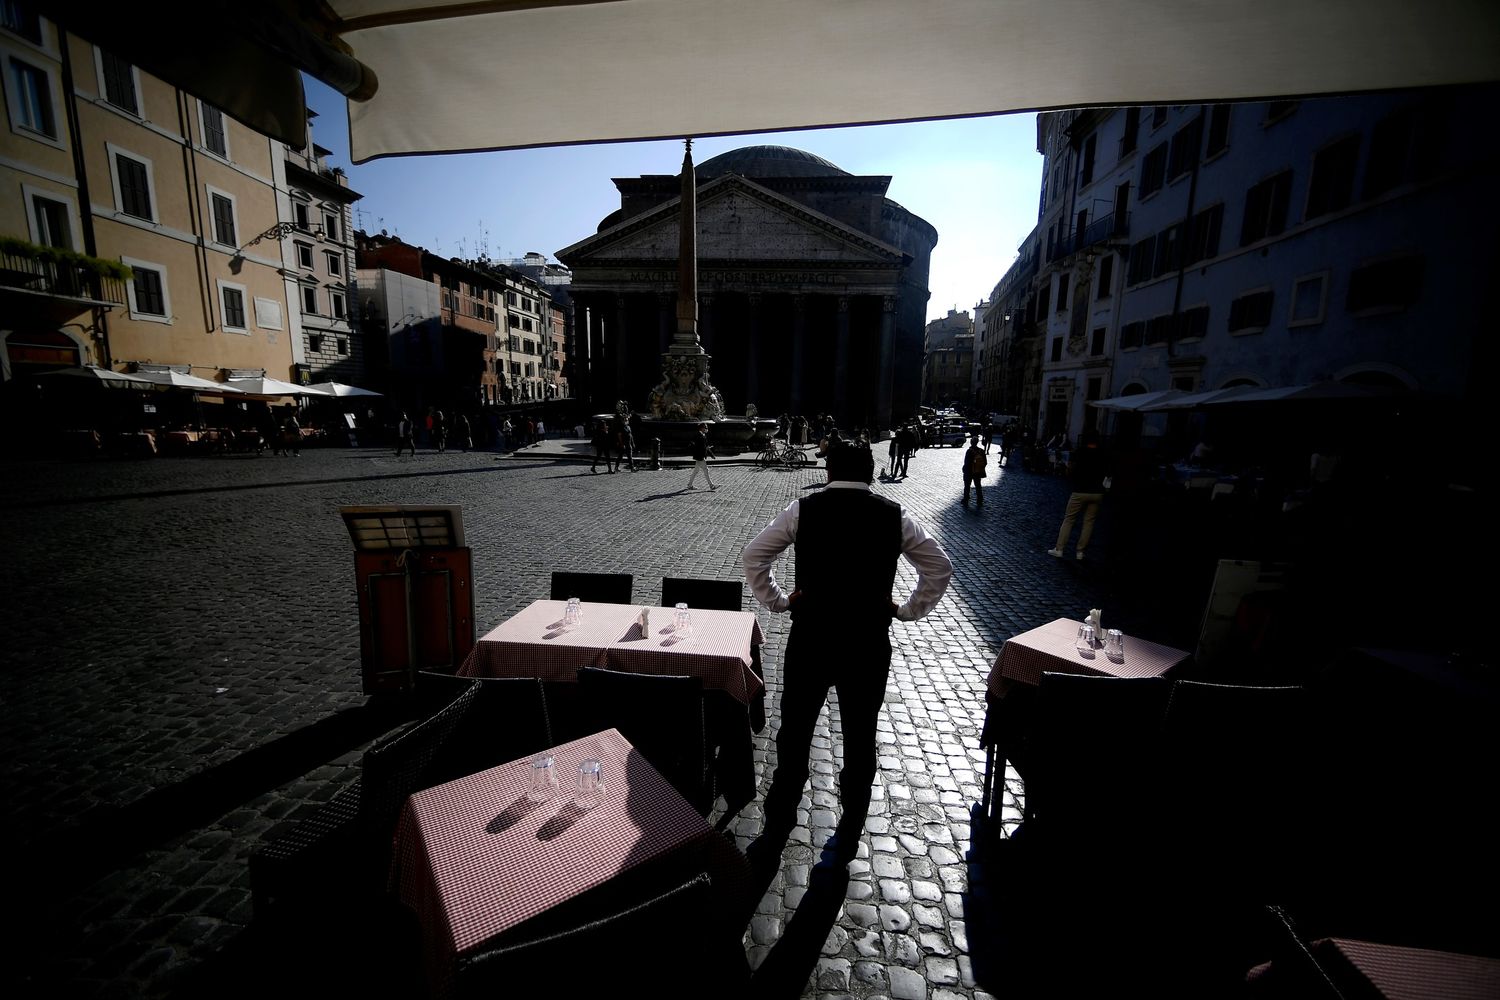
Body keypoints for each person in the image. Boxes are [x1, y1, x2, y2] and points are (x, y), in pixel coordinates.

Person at [742, 440, 953, 862]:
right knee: (860, 735)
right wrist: (907, 610)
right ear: (871, 472)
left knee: (796, 731)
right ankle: (852, 818)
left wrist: (781, 601)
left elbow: (754, 556)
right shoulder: (895, 517)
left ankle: (781, 816)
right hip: (867, 643)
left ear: (830, 469)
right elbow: (939, 567)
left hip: (812, 640)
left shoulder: (803, 510)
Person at [1049, 428, 1109, 560]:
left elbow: (1071, 469)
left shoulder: (1080, 452)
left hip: (1080, 490)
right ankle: (1080, 552)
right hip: (1097, 492)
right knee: (1089, 522)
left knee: (1069, 519)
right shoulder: (1102, 453)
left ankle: (1059, 549)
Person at [686, 421, 715, 490]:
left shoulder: (703, 435)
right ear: (702, 428)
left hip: (699, 456)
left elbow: (705, 446)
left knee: (696, 471)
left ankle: (689, 485)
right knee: (706, 470)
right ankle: (711, 485)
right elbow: (698, 446)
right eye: (705, 427)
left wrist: (711, 454)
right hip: (700, 456)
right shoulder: (698, 435)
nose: (706, 429)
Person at [962, 433, 988, 505]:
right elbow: (985, 462)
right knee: (978, 486)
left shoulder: (969, 451)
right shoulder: (981, 451)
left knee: (967, 486)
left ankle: (966, 499)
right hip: (977, 472)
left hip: (969, 472)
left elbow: (966, 462)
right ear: (977, 442)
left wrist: (964, 470)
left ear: (971, 442)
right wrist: (979, 468)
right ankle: (979, 500)